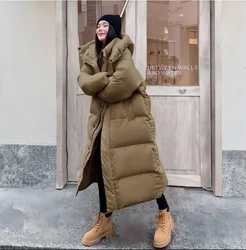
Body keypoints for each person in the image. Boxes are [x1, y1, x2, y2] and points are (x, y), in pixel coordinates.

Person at [76, 14, 175, 248]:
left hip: (128, 121)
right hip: (102, 122)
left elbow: (122, 84)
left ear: (114, 30)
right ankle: (105, 221)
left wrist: (99, 85)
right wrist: (104, 78)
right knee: (102, 169)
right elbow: (84, 81)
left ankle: (165, 215)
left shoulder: (123, 50)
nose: (100, 28)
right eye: (98, 25)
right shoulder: (91, 54)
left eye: (105, 25)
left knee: (143, 167)